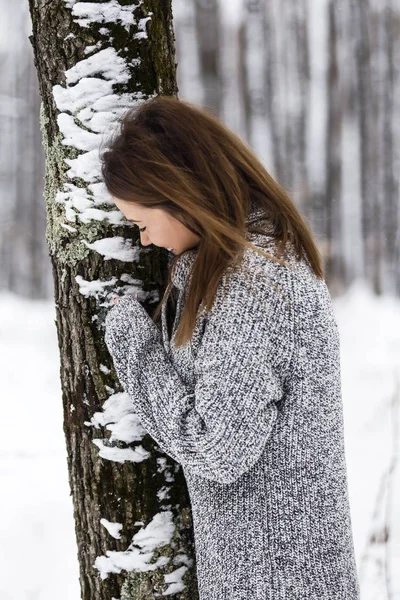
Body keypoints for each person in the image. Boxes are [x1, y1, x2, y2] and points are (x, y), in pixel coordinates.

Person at [101, 95, 360, 599]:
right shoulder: (254, 265)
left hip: (279, 581)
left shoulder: (251, 288)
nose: (145, 240)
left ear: (178, 195)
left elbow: (217, 449)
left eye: (140, 222)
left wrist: (135, 347)